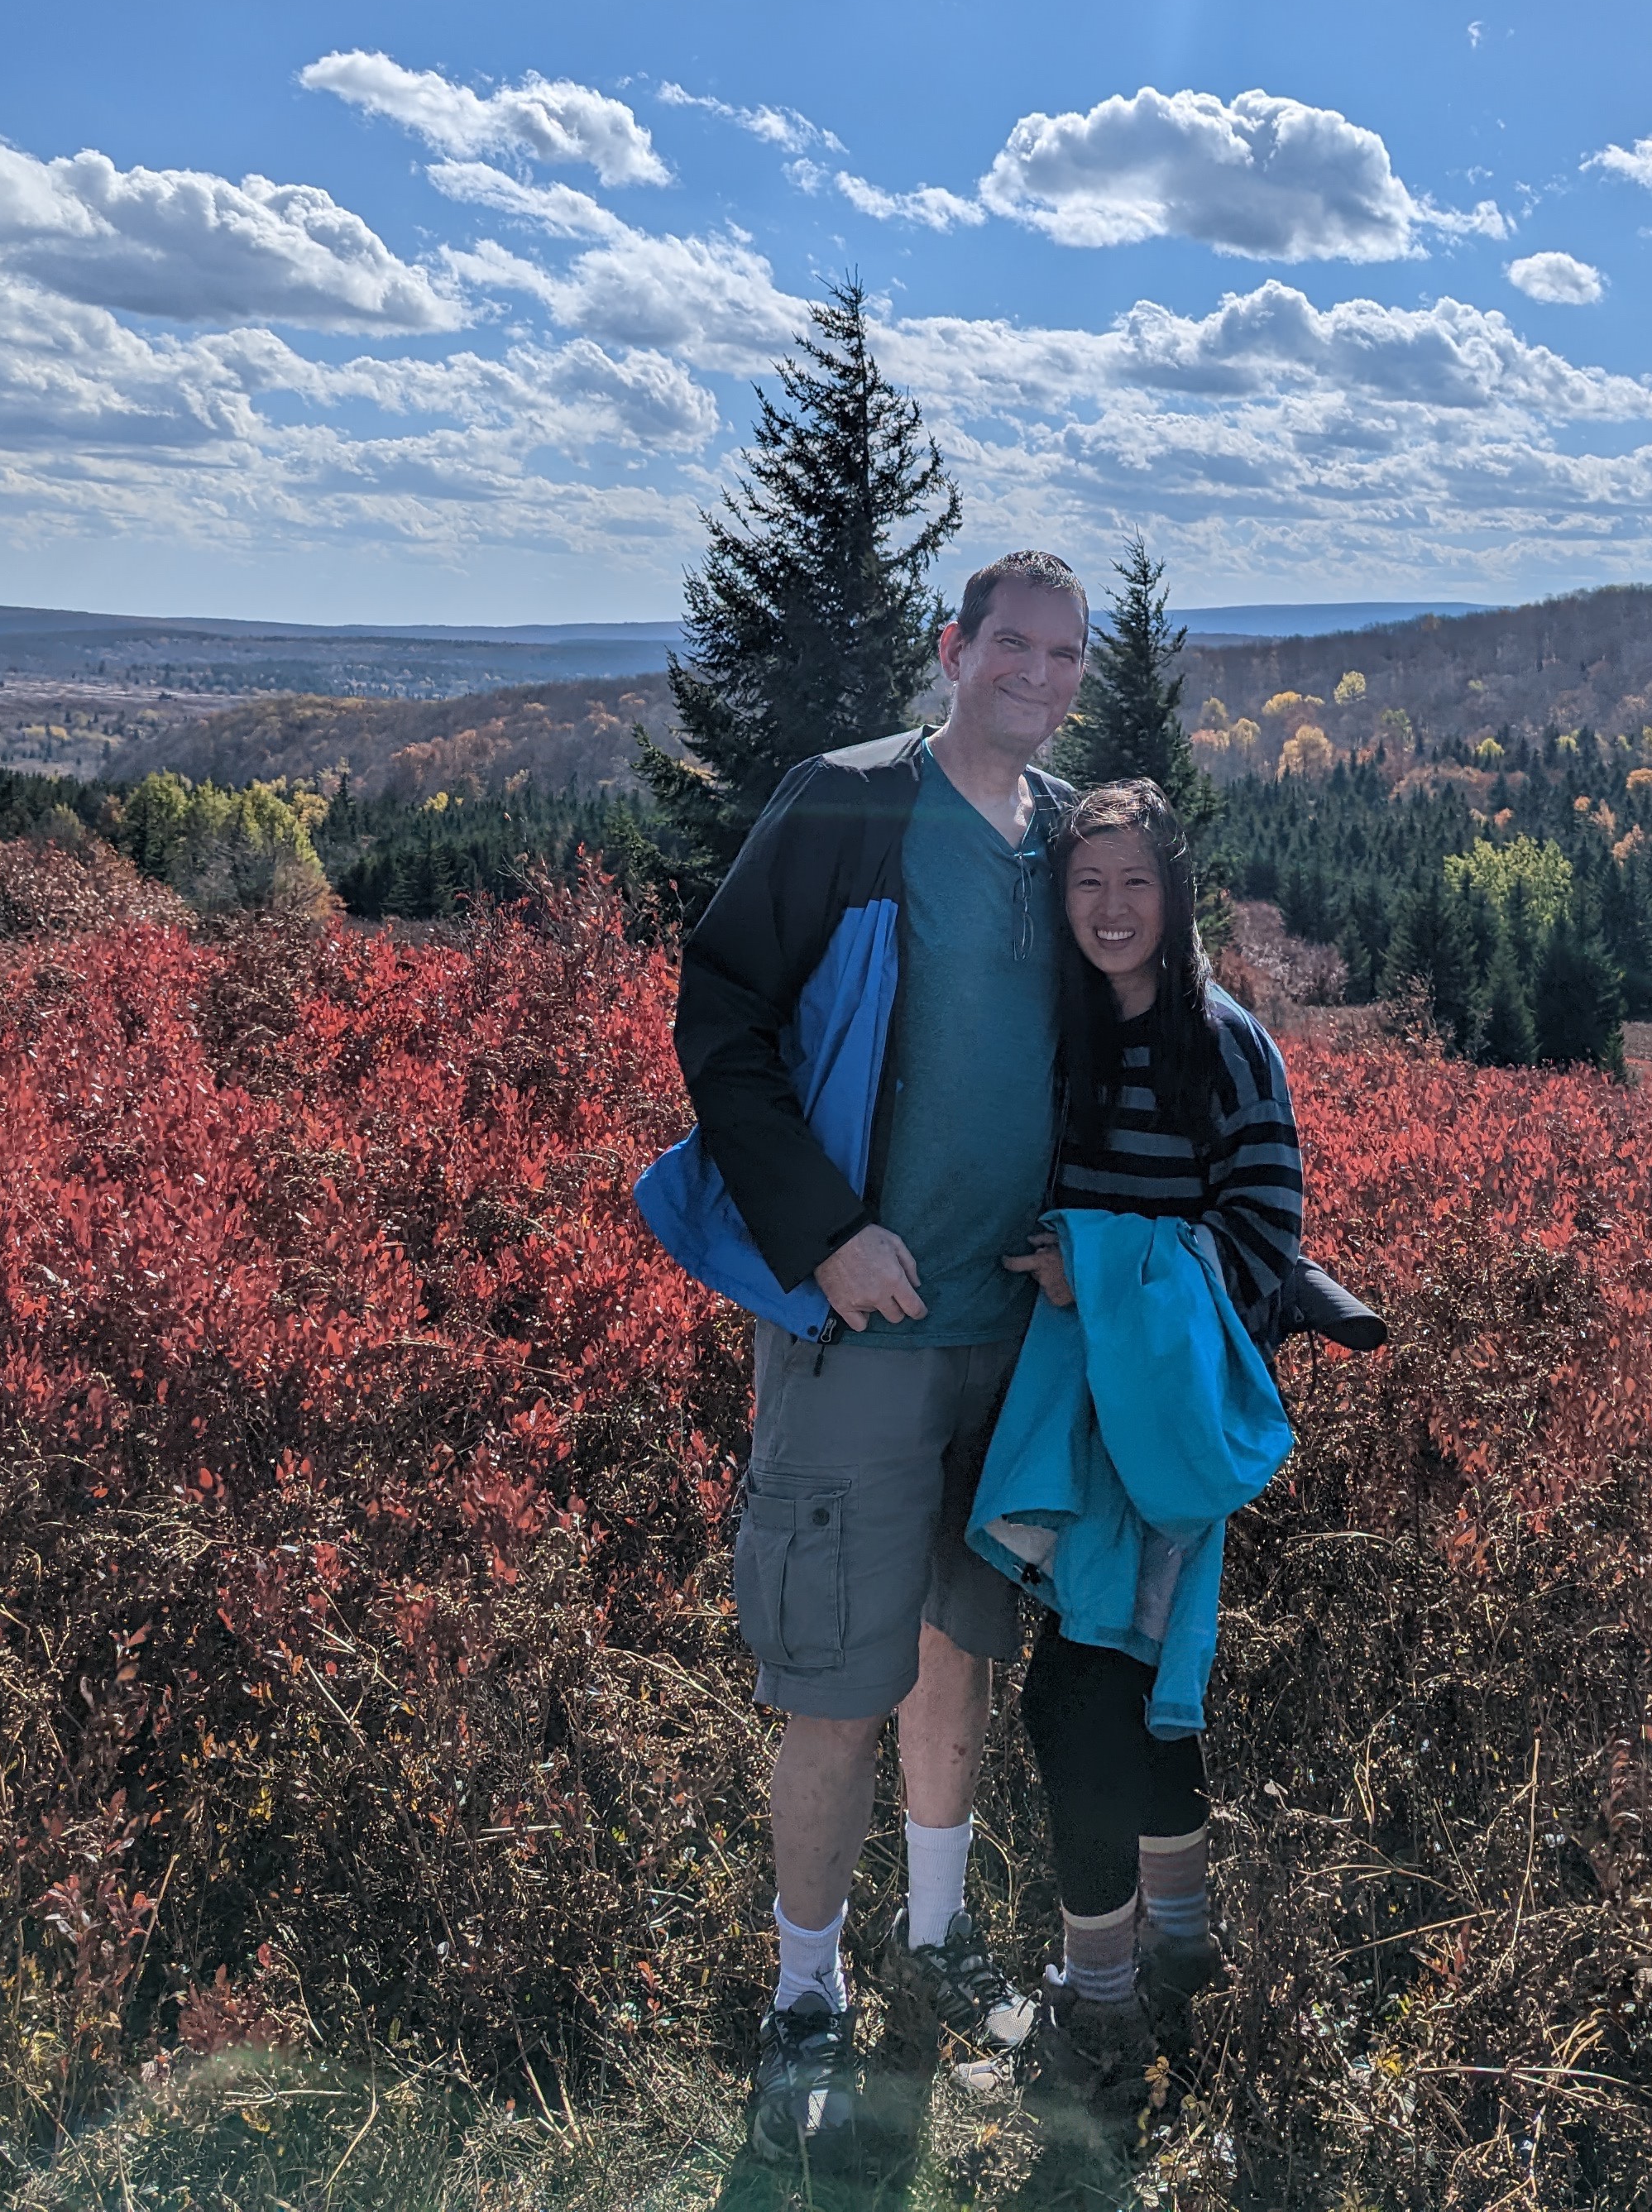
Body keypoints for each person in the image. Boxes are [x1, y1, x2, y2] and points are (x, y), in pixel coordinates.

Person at [656, 550, 1091, 2163]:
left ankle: (936, 1936)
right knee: (838, 1683)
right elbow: (723, 1015)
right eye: (1013, 647)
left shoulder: (1063, 847)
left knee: (958, 1655)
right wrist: (823, 1233)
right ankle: (803, 1998)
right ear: (951, 648)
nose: (1039, 675)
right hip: (863, 1331)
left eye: (1065, 654)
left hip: (1007, 1342)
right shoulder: (846, 806)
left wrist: (1088, 1250)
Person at [998, 777, 1305, 2111]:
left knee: (1070, 1709)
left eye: (1136, 885)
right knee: (1138, 1695)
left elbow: (1262, 1248)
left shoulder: (1227, 1046)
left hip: (1159, 1428)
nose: (1111, 911)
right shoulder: (1060, 1038)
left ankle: (1103, 2021)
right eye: (1087, 885)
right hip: (1072, 1410)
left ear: (1175, 899)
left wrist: (1102, 1278)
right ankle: (1183, 1958)